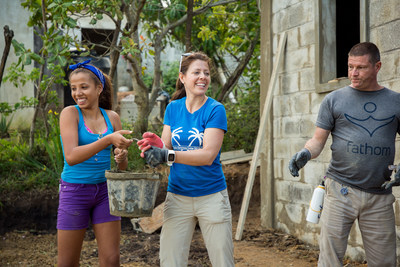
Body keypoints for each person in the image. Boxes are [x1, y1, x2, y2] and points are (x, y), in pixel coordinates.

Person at [289, 42, 400, 267]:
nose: (353, 73)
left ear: (377, 66)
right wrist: (306, 152)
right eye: (350, 67)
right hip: (340, 191)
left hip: (379, 195)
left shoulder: (396, 102)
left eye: (360, 67)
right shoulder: (334, 100)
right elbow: (318, 141)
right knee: (329, 261)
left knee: (385, 262)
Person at [137, 52, 235, 267]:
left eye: (206, 73)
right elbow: (166, 147)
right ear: (182, 77)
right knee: (170, 260)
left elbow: (208, 155)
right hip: (178, 195)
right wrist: (156, 145)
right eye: (196, 72)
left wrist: (167, 154)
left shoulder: (215, 110)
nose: (203, 77)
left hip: (211, 196)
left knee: (222, 260)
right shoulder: (173, 108)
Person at [57, 60, 133, 267]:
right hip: (75, 191)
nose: (77, 93)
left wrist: (121, 156)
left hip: (105, 192)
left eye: (84, 87)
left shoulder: (112, 117)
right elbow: (71, 156)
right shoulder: (70, 114)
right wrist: (108, 140)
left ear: (99, 88)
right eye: (73, 88)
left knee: (111, 260)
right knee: (67, 262)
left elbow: (122, 167)